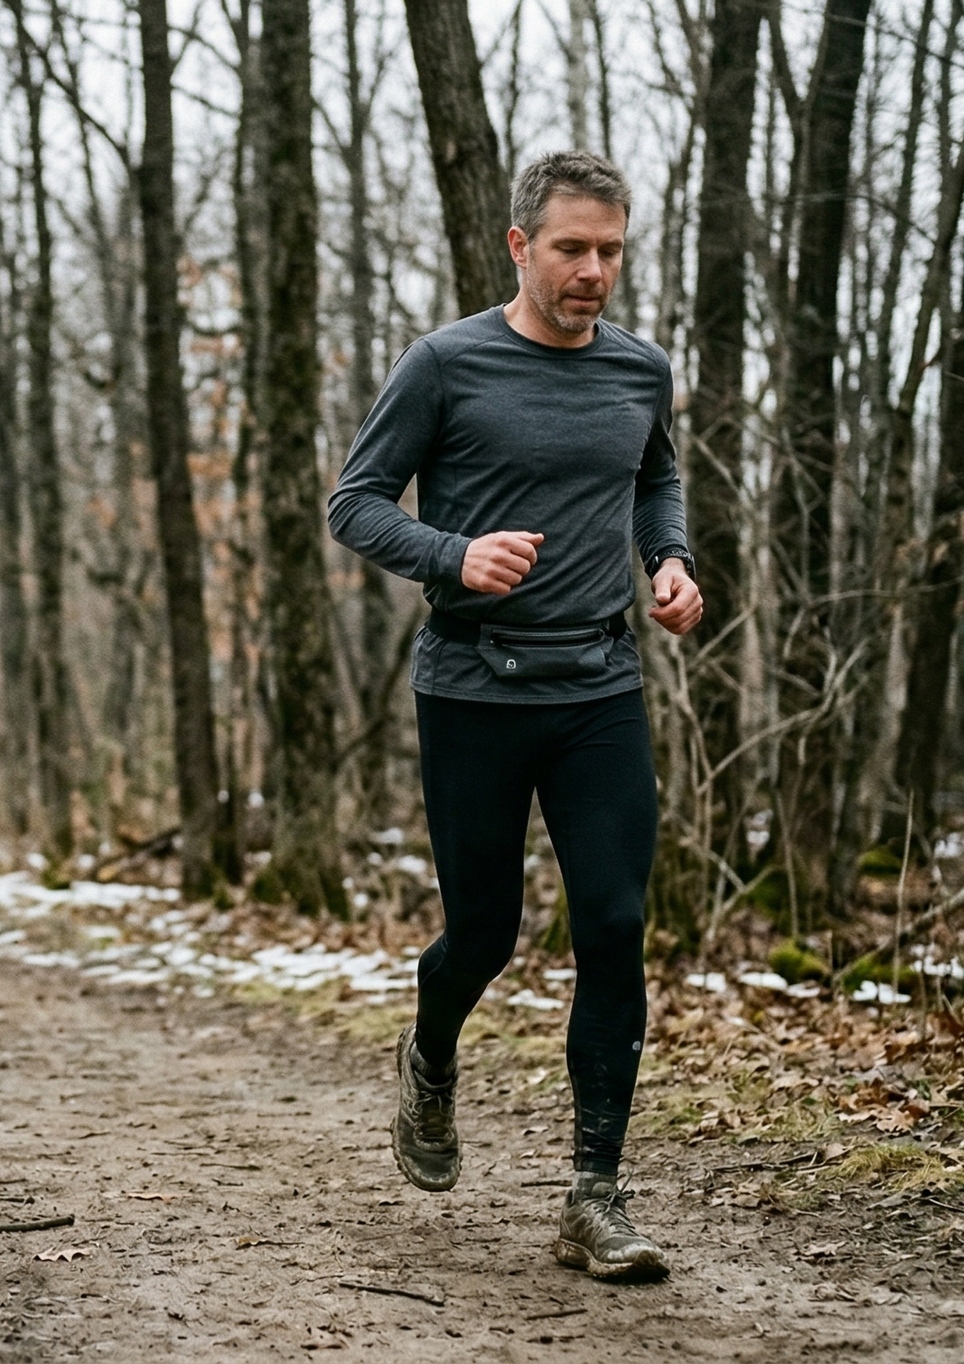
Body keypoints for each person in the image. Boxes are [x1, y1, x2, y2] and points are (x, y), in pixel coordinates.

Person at [325, 150, 701, 1282]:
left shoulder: (640, 370)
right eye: (571, 249)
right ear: (518, 248)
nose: (592, 271)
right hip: (475, 688)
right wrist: (454, 552)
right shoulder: (446, 363)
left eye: (610, 250)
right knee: (483, 932)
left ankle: (595, 1193)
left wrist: (670, 557)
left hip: (598, 687)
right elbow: (352, 503)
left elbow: (652, 476)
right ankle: (431, 1054)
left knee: (612, 922)